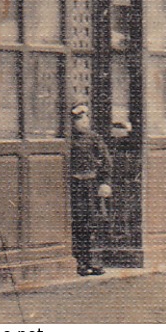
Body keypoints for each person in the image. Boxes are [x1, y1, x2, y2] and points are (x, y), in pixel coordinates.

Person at [67, 103, 112, 277]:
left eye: (86, 117)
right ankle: (80, 261)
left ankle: (94, 261)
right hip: (74, 186)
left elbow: (105, 161)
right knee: (78, 224)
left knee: (94, 223)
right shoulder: (69, 140)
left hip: (91, 187)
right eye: (79, 118)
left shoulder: (94, 138)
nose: (83, 121)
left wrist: (105, 182)